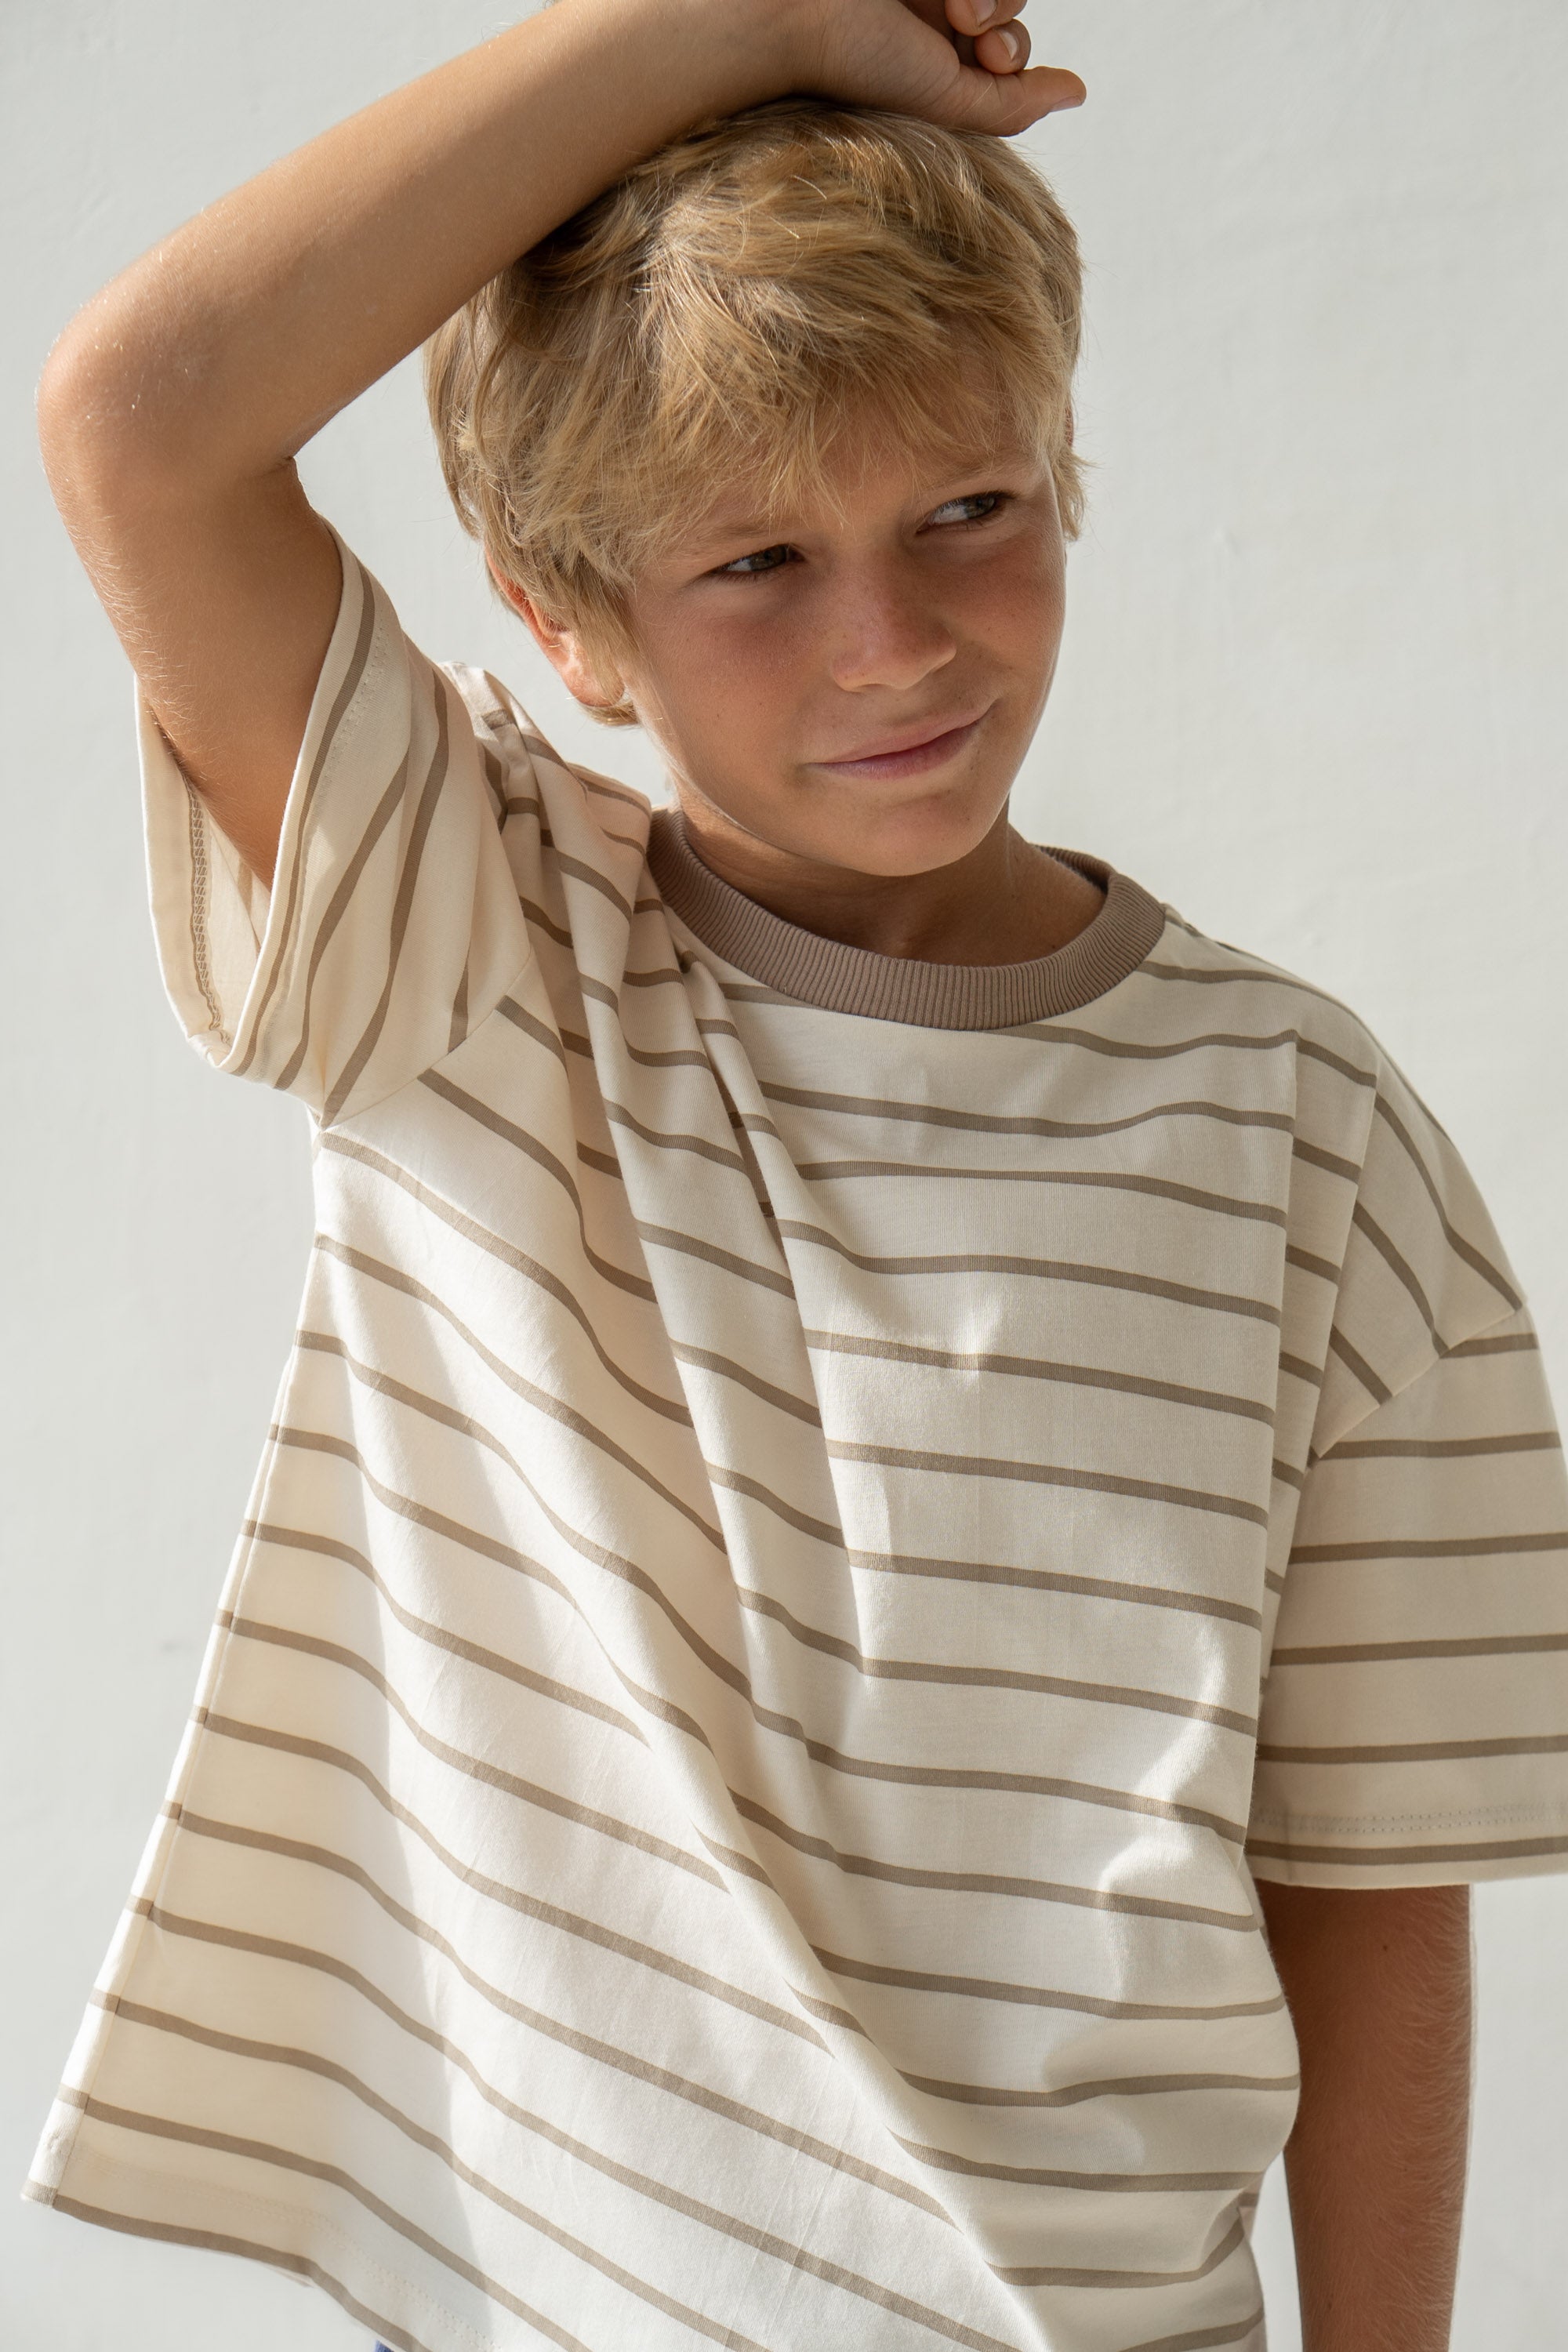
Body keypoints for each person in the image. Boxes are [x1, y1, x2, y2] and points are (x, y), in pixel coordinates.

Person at [22, 0, 1568, 2347]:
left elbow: (1365, 1886)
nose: (897, 640)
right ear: (564, 624)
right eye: (753, 562)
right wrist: (732, 20)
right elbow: (142, 423)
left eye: (971, 509)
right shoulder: (471, 957)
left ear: (1066, 472)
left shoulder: (1310, 1135)